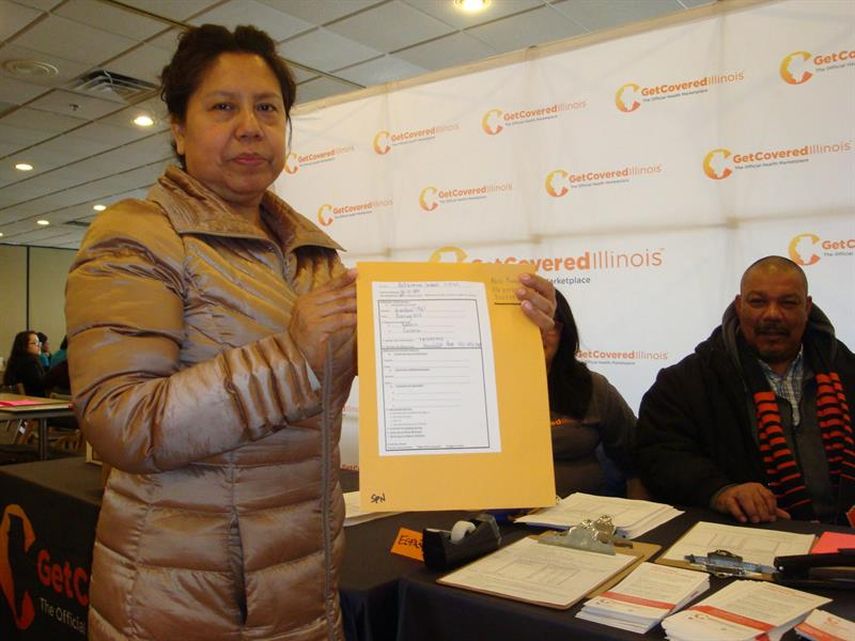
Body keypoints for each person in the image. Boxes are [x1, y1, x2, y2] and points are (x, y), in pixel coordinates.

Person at [65, 24, 557, 641]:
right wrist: (291, 357)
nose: (251, 126)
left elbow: (401, 373)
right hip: (187, 595)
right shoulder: (137, 235)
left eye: (267, 108)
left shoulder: (313, 255)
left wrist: (511, 347)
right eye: (223, 107)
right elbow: (120, 421)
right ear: (179, 129)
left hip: (304, 584)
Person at [636, 256, 855, 524]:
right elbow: (660, 454)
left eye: (788, 303)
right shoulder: (685, 382)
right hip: (744, 532)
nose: (772, 314)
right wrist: (720, 491)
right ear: (739, 306)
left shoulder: (847, 371)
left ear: (807, 307)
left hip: (843, 534)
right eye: (758, 302)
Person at [545, 290, 647, 498]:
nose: (538, 333)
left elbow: (636, 456)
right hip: (495, 514)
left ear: (564, 332)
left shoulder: (591, 387)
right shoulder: (480, 387)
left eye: (549, 324)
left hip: (581, 514)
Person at [3, 331, 46, 397]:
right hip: (34, 400)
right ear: (23, 346)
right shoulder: (30, 364)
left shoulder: (14, 361)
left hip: (18, 400)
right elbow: (39, 386)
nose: (39, 345)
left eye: (39, 342)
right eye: (35, 343)